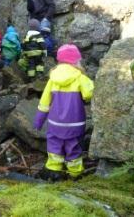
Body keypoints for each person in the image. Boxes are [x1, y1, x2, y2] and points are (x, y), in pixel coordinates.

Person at [33, 44, 94, 180]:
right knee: (74, 150)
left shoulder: (52, 79)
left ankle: (54, 174)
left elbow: (44, 103)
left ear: (59, 61)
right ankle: (75, 175)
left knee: (54, 149)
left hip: (55, 124)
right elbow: (88, 94)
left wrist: (38, 122)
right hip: (75, 124)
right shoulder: (80, 78)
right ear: (76, 61)